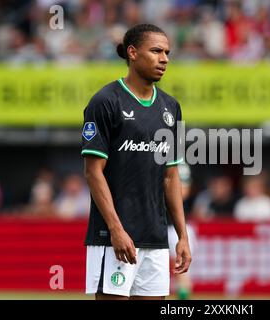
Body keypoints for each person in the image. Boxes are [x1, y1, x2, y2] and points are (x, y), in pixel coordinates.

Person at [81, 24, 191, 300]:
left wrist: (182, 235)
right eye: (156, 51)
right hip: (113, 238)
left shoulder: (171, 107)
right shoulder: (105, 102)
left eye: (167, 52)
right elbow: (94, 173)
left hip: (155, 239)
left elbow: (171, 176)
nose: (164, 58)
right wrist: (116, 230)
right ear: (132, 53)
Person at [167, 163, 197, 299]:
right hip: (155, 223)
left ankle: (183, 298)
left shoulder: (179, 163)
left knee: (181, 266)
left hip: (175, 227)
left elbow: (184, 191)